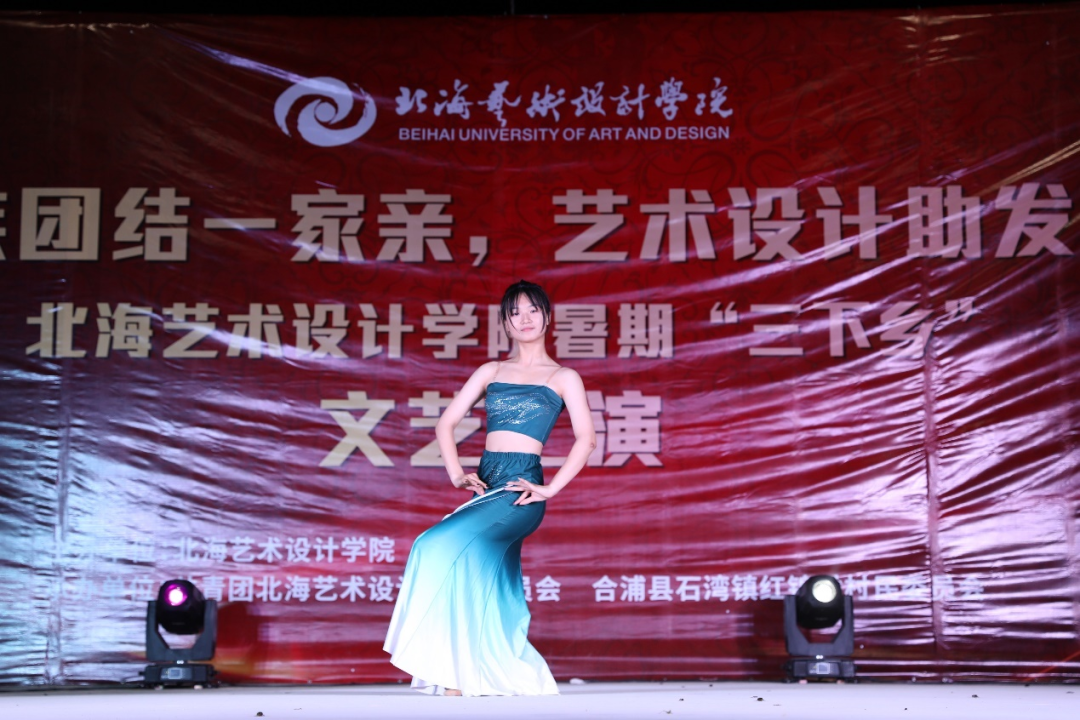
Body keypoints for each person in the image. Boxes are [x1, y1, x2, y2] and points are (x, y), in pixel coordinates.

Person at [383, 280, 596, 697]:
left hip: (520, 489)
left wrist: (551, 488)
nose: (525, 318)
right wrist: (455, 473)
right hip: (486, 486)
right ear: (505, 324)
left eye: (532, 310)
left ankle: (456, 672)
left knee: (432, 545)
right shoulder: (491, 372)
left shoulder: (564, 377)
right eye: (515, 313)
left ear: (547, 317)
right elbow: (445, 424)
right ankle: (468, 674)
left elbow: (586, 439)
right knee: (481, 576)